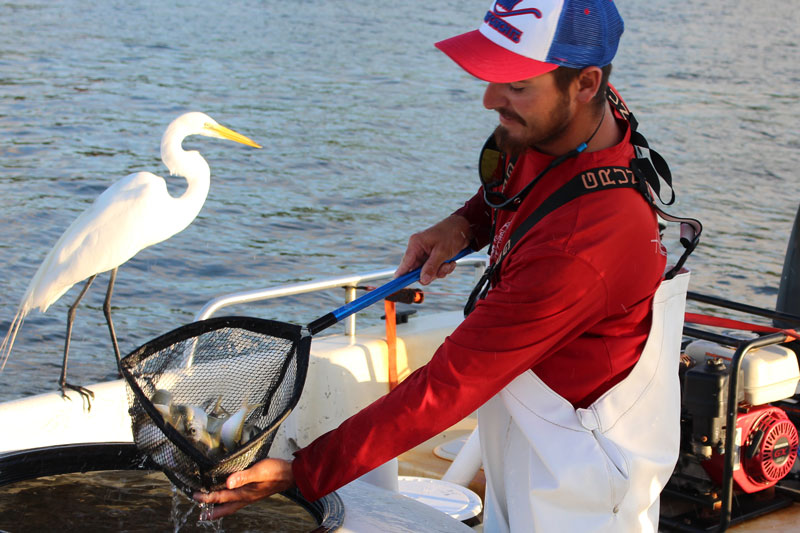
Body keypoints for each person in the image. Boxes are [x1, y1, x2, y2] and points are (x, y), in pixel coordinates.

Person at [196, 2, 698, 530]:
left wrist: (304, 472)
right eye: (491, 76)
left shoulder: (583, 242)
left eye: (516, 86)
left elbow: (446, 387)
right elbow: (517, 188)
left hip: (582, 482)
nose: (489, 100)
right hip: (532, 429)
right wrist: (463, 226)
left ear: (586, 83)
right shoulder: (564, 123)